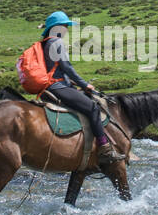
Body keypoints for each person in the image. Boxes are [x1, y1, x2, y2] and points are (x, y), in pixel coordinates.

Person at [35, 11, 122, 166]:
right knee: (93, 108)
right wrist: (84, 84)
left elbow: (56, 69)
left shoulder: (45, 42)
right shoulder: (57, 42)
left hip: (53, 84)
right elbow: (67, 67)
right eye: (65, 26)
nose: (67, 29)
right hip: (57, 86)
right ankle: (104, 147)